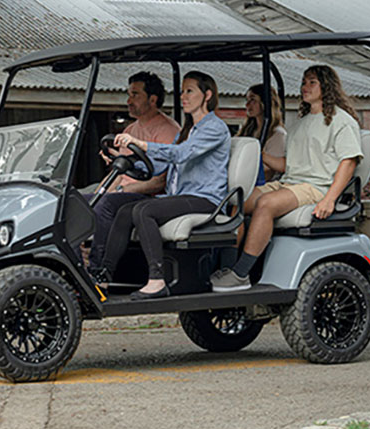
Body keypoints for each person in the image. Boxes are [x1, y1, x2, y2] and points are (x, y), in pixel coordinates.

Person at [210, 65, 363, 292]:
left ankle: (241, 273)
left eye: (312, 82)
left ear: (326, 86)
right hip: (291, 182)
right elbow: (289, 165)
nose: (305, 87)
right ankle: (227, 267)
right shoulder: (300, 123)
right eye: (303, 82)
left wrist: (329, 199)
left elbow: (348, 162)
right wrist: (259, 155)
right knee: (239, 200)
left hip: (317, 186)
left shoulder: (342, 122)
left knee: (266, 204)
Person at [99, 71, 231, 299]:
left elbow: (180, 154)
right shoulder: (189, 130)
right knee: (124, 211)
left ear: (207, 95)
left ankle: (157, 280)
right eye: (182, 91)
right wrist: (124, 161)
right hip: (183, 197)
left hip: (206, 200)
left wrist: (142, 143)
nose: (183, 96)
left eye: (190, 91)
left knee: (144, 210)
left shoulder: (214, 128)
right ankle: (102, 278)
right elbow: (160, 166)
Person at [87, 71, 180, 282]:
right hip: (123, 193)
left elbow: (161, 180)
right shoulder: (130, 129)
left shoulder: (167, 130)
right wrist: (95, 196)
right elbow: (118, 173)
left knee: (107, 204)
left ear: (153, 99)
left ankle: (96, 271)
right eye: (129, 94)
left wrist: (120, 192)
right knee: (75, 202)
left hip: (149, 197)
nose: (128, 101)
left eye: (135, 95)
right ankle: (73, 265)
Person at [240, 84, 286, 182]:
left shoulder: (277, 134)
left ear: (265, 103)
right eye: (247, 100)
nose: (247, 105)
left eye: (253, 100)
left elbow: (268, 172)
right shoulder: (248, 130)